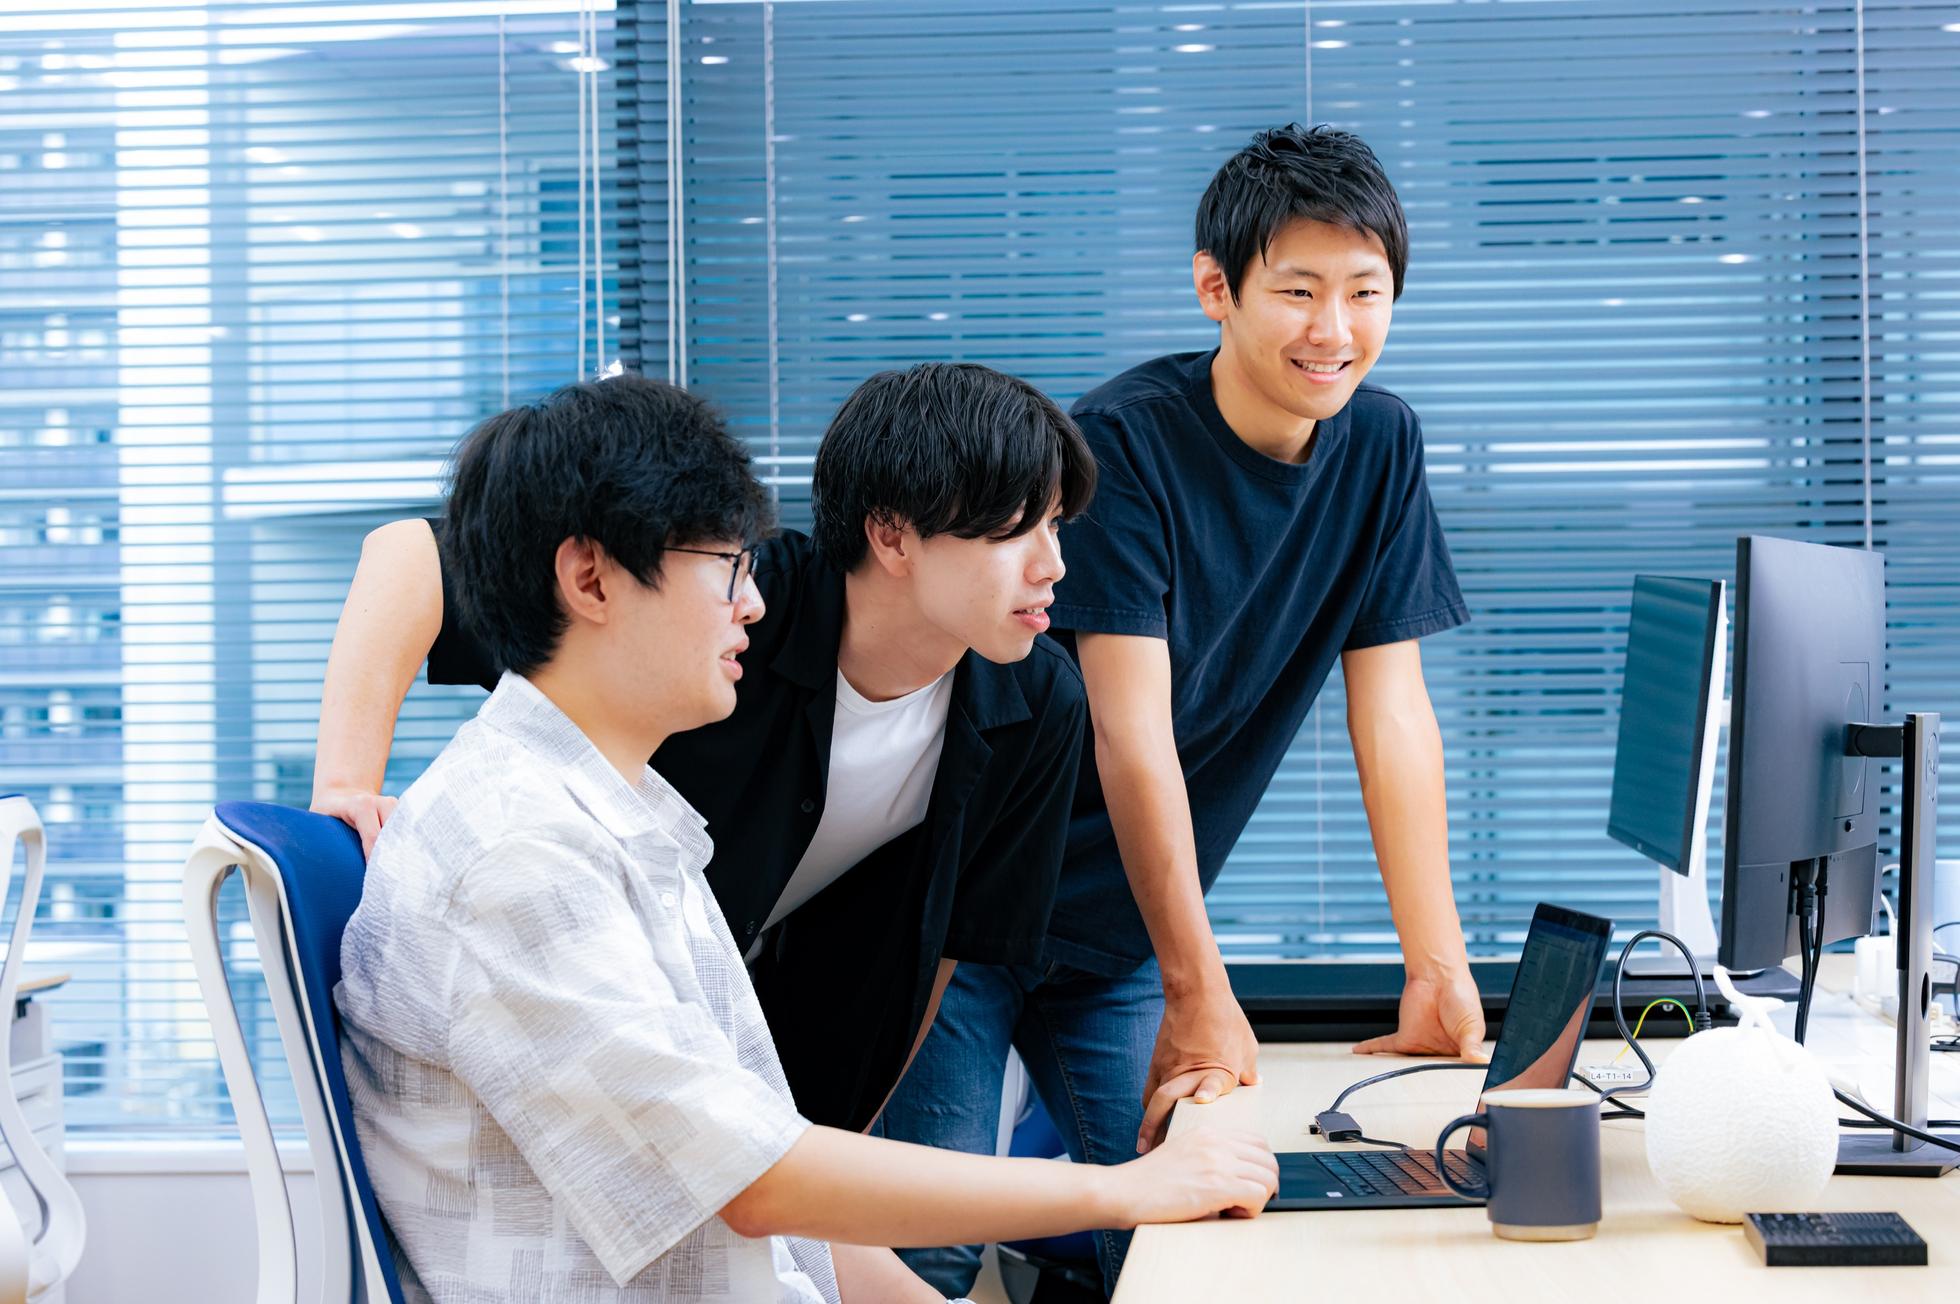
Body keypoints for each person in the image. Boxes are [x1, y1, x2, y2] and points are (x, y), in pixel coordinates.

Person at [333, 373, 1279, 1303]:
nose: (747, 604)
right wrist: (1120, 1191)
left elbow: (763, 1175)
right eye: (724, 569)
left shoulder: (639, 827)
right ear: (591, 579)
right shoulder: (520, 857)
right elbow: (749, 1180)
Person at [879, 124, 1484, 1297]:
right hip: (965, 910)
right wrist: (1199, 986)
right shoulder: (1122, 443)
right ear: (1217, 288)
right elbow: (1130, 733)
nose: (1333, 328)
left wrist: (1436, 963)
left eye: (1365, 291)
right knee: (928, 1246)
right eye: (1297, 290)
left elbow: (1394, 715)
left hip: (1117, 935)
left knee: (1192, 1231)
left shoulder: (1381, 446)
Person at [314, 363, 1095, 1131]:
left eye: (1056, 525)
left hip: (782, 1047)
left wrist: (844, 1141)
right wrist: (345, 787)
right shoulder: (724, 606)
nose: (1052, 565)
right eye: (1013, 529)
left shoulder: (1039, 700)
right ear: (893, 535)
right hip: (607, 994)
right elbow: (407, 555)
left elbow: (942, 955)